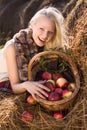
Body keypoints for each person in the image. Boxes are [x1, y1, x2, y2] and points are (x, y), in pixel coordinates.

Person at [0, 6, 69, 100]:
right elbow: (15, 87)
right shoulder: (12, 48)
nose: (45, 35)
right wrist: (27, 85)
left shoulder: (44, 46)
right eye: (41, 29)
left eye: (50, 32)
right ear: (32, 24)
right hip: (4, 78)